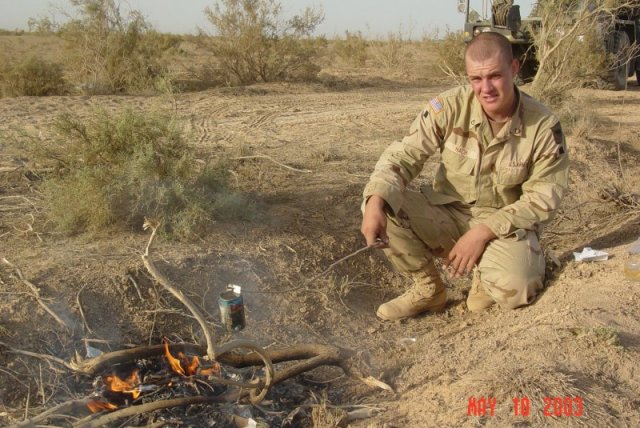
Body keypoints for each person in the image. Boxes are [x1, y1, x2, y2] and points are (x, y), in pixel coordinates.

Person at [360, 32, 569, 321]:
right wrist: (375, 201)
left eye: (495, 76)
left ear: (514, 69)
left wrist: (482, 233)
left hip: (502, 225)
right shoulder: (448, 107)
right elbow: (403, 156)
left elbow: (543, 197)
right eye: (476, 79)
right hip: (447, 213)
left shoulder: (542, 125)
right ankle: (428, 289)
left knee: (518, 287)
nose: (486, 88)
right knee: (383, 202)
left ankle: (486, 274)